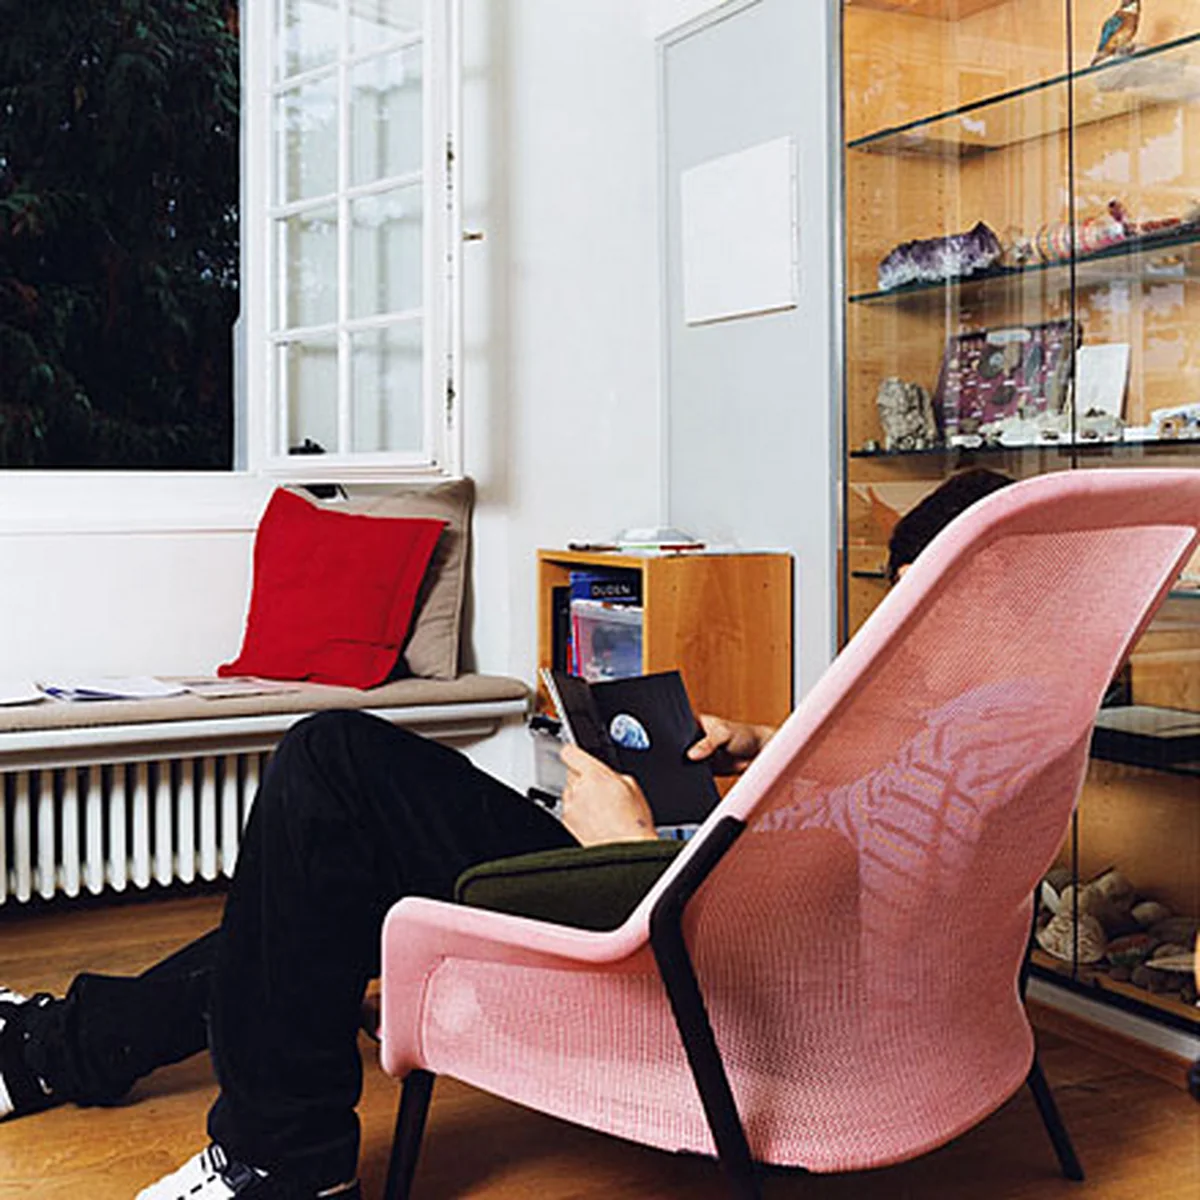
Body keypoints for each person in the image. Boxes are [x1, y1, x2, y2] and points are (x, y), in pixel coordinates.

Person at [0, 468, 1013, 1199]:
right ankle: (69, 1046)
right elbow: (857, 840)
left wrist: (626, 848)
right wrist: (763, 739)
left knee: (330, 766)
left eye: (921, 594)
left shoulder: (963, 747)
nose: (899, 621)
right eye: (900, 593)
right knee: (319, 868)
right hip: (686, 883)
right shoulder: (990, 722)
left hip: (668, 920)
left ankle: (274, 1157)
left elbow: (832, 944)